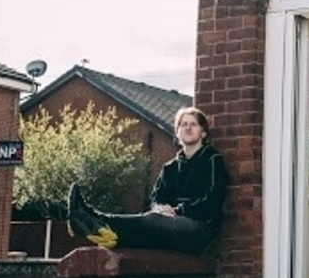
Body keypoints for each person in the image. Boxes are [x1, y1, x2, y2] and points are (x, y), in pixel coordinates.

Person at [66, 107, 229, 255]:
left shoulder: (212, 159)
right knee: (131, 237)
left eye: (193, 124)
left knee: (153, 219)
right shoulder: (170, 168)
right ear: (177, 133)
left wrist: (177, 210)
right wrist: (160, 208)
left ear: (203, 133)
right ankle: (100, 231)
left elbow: (213, 201)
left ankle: (97, 218)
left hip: (199, 231)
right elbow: (156, 200)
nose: (187, 127)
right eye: (183, 124)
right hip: (168, 229)